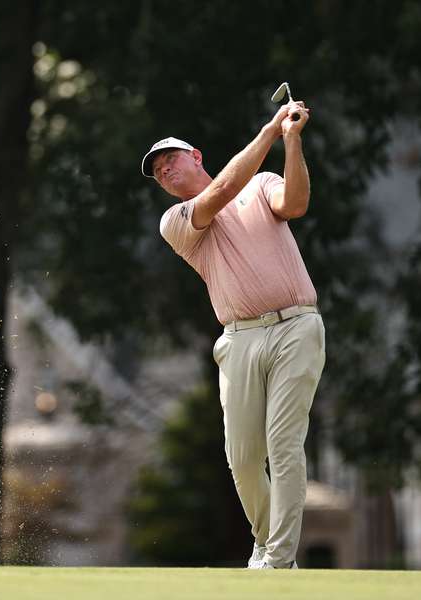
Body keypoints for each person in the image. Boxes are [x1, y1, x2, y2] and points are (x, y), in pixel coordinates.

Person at [142, 100, 325, 569]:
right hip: (240, 337)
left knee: (284, 445)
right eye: (158, 172)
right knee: (242, 458)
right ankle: (267, 544)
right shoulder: (177, 222)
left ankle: (278, 560)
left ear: (195, 156)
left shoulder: (263, 184)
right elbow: (223, 189)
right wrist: (269, 131)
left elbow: (297, 203)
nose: (165, 172)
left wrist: (292, 140)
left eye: (171, 161)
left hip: (296, 326)